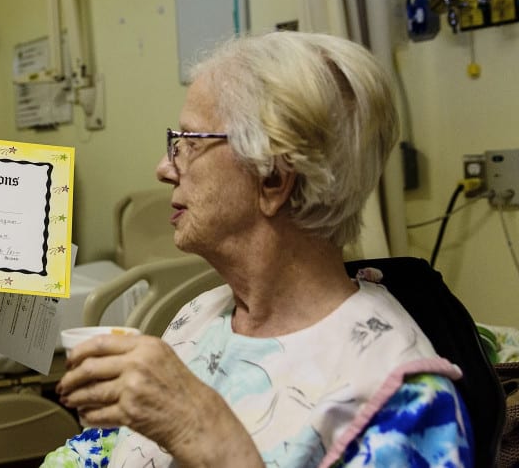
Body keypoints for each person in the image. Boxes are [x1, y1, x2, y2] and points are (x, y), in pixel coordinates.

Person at [44, 32, 473, 467]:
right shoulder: (201, 314)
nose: (164, 168)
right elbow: (113, 450)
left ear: (272, 179)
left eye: (190, 142)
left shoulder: (403, 401)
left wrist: (200, 429)